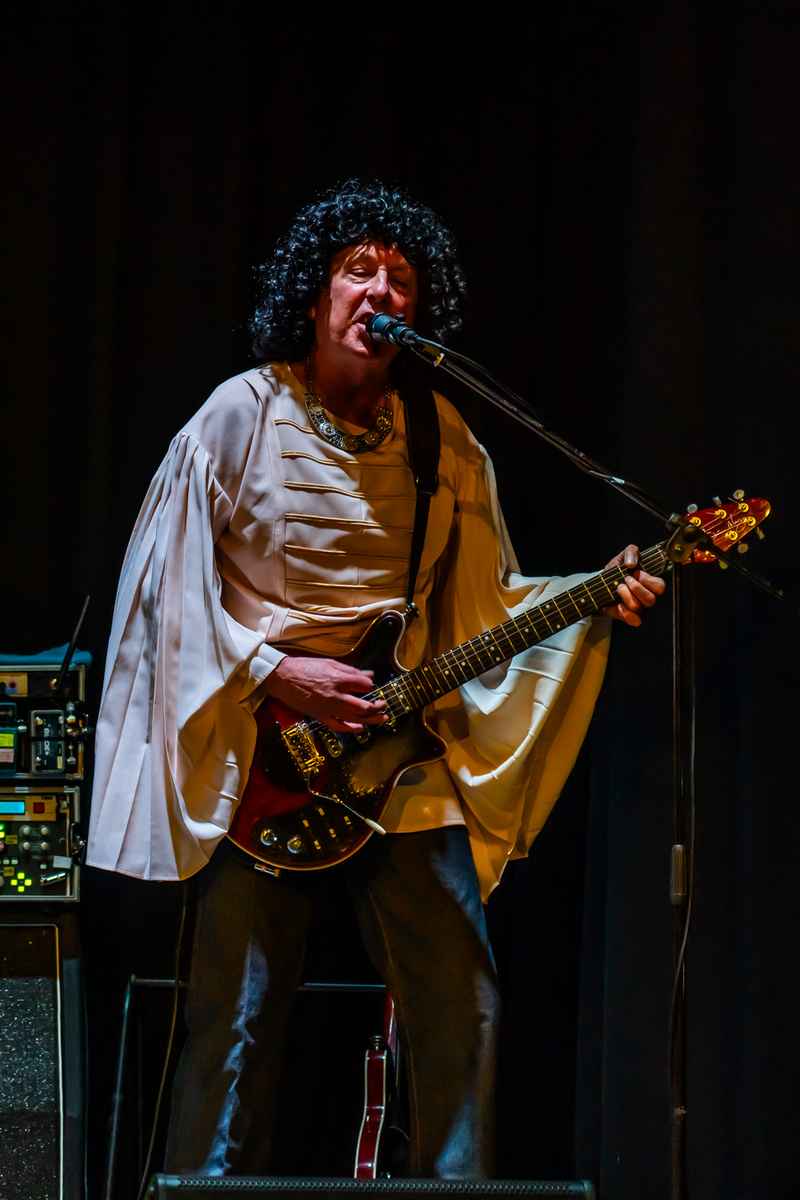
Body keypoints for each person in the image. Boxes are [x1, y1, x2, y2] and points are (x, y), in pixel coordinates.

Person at [86, 178, 666, 1179]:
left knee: (460, 1002)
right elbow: (161, 592)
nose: (379, 292)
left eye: (399, 278)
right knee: (235, 1023)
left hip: (392, 753)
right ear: (314, 294)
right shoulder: (240, 416)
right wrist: (277, 670)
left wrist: (592, 595)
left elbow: (483, 609)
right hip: (262, 750)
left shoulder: (443, 438)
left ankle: (455, 1189)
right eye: (358, 271)